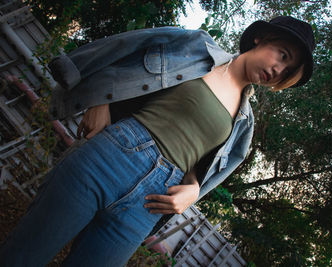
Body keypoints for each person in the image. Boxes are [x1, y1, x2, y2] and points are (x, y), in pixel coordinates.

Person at [0, 16, 315, 266]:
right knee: (23, 256)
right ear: (261, 38)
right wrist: (101, 101)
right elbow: (129, 50)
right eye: (282, 55)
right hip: (109, 157)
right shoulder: (197, 46)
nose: (277, 70)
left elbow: (202, 167)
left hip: (150, 203)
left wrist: (193, 190)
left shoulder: (244, 125)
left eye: (286, 71)